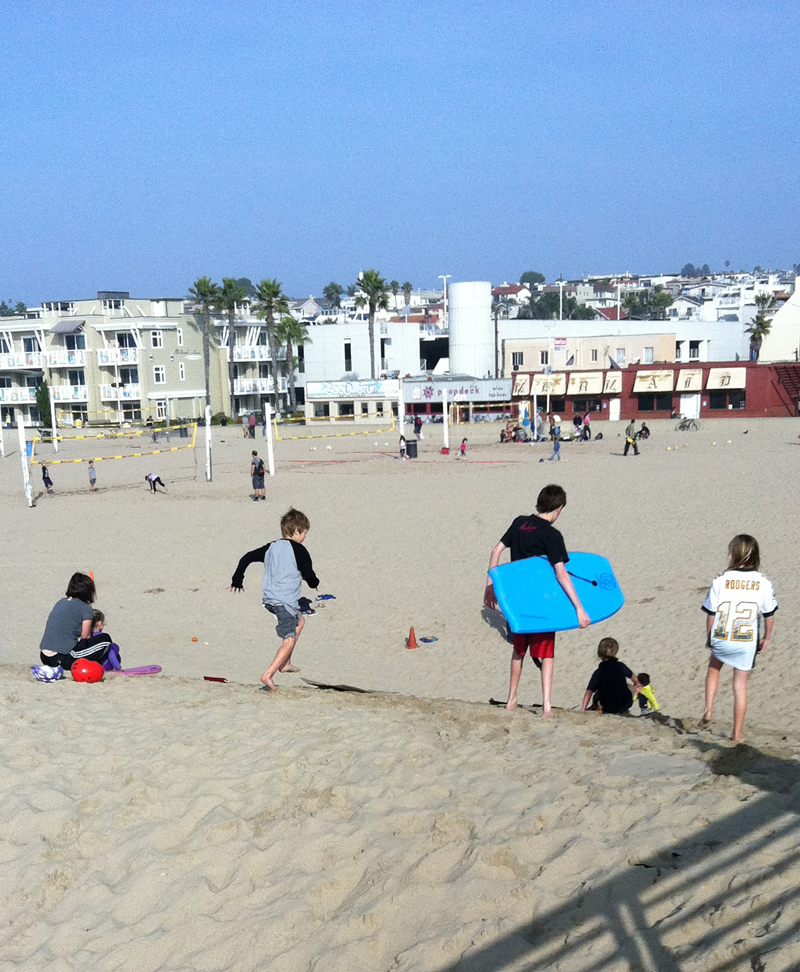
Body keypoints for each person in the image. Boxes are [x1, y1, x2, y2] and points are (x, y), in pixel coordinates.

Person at [484, 484, 591, 715]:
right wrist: (579, 608)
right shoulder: (552, 535)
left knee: (518, 651)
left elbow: (495, 552)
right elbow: (561, 574)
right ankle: (546, 706)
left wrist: (490, 587)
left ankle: (511, 699)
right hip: (542, 603)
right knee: (547, 654)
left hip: (516, 602)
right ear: (559, 509)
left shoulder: (519, 522)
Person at [228, 508, 320, 690]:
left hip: (271, 599)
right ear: (296, 531)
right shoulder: (299, 550)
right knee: (289, 640)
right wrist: (314, 582)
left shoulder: (271, 547)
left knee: (300, 621)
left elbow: (247, 557)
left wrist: (237, 579)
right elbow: (309, 575)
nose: (304, 538)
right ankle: (268, 674)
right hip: (283, 601)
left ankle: (285, 663)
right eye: (304, 534)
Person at [702, 534, 777, 742]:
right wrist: (766, 637)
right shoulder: (763, 582)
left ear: (732, 554)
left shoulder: (720, 580)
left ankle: (708, 709)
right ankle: (736, 734)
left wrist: (709, 637)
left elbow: (711, 614)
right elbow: (769, 615)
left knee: (714, 667)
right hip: (745, 640)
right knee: (740, 685)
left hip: (722, 635)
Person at [34, 572, 96, 680]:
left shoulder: (61, 602)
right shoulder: (86, 608)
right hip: (62, 657)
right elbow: (85, 637)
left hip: (44, 656)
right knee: (105, 640)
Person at [581, 638, 642, 714]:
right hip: (625, 704)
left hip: (607, 707)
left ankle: (597, 708)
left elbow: (589, 691)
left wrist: (583, 710)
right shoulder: (621, 666)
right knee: (629, 687)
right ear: (615, 653)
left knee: (597, 694)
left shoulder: (599, 672)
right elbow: (633, 677)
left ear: (599, 653)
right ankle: (623, 710)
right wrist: (637, 684)